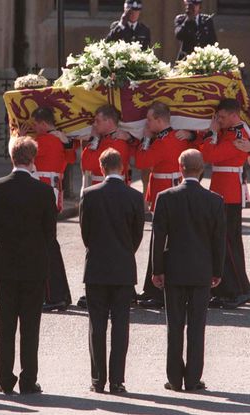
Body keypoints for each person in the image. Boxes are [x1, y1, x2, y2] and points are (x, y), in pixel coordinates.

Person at [0, 136, 57, 395]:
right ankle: (28, 380)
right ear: (33, 159)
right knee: (30, 326)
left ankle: (5, 379)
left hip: (6, 264)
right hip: (33, 264)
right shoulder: (43, 190)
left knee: (6, 326)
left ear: (12, 157)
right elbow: (50, 232)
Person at [152, 149, 225, 391]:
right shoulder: (215, 200)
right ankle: (193, 378)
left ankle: (174, 378)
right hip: (202, 270)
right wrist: (217, 271)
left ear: (179, 167)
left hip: (174, 269)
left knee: (174, 326)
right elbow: (219, 240)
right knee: (197, 326)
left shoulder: (166, 197)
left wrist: (157, 269)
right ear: (202, 168)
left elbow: (158, 237)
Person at [80, 148, 144, 394]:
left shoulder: (89, 194)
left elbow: (85, 233)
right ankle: (117, 380)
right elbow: (136, 235)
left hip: (96, 266)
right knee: (120, 325)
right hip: (123, 266)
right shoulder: (134, 196)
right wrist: (125, 251)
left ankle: (98, 380)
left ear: (101, 166)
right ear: (123, 167)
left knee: (96, 325)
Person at [135, 101, 191, 308]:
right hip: (169, 189)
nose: (147, 123)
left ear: (159, 120)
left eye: (149, 120)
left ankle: (156, 291)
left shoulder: (161, 141)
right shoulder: (177, 136)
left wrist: (146, 140)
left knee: (159, 244)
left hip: (164, 192)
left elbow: (141, 162)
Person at [78, 104, 133, 309]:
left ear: (110, 121)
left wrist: (92, 142)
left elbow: (92, 164)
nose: (94, 124)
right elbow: (86, 163)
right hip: (99, 191)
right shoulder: (104, 140)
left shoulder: (117, 142)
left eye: (98, 120)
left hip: (109, 194)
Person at [201, 98, 250, 309]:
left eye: (221, 117)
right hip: (221, 190)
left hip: (229, 192)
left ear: (233, 115)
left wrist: (211, 133)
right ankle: (225, 288)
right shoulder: (228, 131)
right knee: (221, 242)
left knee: (230, 243)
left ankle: (239, 289)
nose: (218, 120)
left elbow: (208, 154)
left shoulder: (239, 135)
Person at [31, 107, 73, 311]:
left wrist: (18, 137)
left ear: (43, 123)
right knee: (49, 244)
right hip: (53, 193)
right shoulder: (61, 139)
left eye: (36, 124)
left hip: (42, 195)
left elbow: (20, 155)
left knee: (46, 246)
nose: (34, 128)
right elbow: (71, 158)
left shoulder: (44, 140)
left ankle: (54, 294)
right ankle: (60, 294)